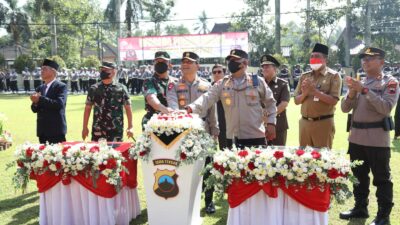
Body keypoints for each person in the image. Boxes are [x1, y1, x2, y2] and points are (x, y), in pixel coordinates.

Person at [340, 47, 399, 225]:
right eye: (363, 59)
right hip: (356, 138)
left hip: (376, 139)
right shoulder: (360, 81)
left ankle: (383, 215)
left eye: (370, 58)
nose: (365, 61)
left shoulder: (390, 82)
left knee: (381, 178)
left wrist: (364, 90)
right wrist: (351, 93)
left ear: (381, 62)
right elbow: (344, 108)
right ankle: (360, 207)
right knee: (358, 176)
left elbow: (386, 108)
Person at [186, 49, 277, 148]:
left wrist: (271, 123)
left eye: (234, 60)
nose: (231, 63)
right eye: (230, 60)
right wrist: (190, 108)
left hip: (255, 137)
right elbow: (207, 98)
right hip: (233, 139)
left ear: (245, 63)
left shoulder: (257, 81)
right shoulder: (222, 84)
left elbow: (270, 103)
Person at [167, 51, 219, 214]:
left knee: (208, 166)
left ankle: (209, 201)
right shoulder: (173, 84)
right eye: (183, 61)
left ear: (197, 65)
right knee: (181, 166)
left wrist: (215, 130)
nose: (185, 64)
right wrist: (181, 118)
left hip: (203, 130)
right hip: (181, 131)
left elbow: (212, 110)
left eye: (189, 61)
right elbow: (172, 104)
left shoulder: (206, 85)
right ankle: (183, 199)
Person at [293, 43, 342, 149]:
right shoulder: (304, 76)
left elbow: (334, 100)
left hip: (323, 123)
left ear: (325, 59)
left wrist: (315, 92)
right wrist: (305, 93)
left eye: (317, 56)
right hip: (304, 123)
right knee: (303, 159)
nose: (313, 59)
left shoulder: (333, 76)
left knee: (322, 160)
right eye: (312, 56)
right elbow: (296, 101)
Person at [82, 61, 133, 142]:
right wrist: (85, 127)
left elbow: (128, 108)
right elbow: (87, 108)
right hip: (98, 128)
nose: (103, 72)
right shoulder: (94, 88)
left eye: (106, 70)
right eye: (102, 70)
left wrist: (130, 127)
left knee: (115, 153)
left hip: (116, 129)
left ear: (114, 71)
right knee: (97, 152)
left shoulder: (121, 88)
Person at [30, 59, 67, 144]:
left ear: (53, 71)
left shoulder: (61, 86)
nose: (41, 71)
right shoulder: (40, 88)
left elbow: (59, 104)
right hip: (42, 130)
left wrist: (40, 99)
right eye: (41, 69)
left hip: (55, 130)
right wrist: (35, 103)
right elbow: (34, 109)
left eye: (44, 69)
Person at [141, 51, 176, 129]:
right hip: (153, 123)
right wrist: (165, 110)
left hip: (175, 123)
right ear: (154, 64)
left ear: (170, 65)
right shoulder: (149, 81)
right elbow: (151, 98)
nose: (160, 63)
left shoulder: (176, 82)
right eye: (157, 61)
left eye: (164, 61)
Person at [260, 54, 290, 146]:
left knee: (278, 154)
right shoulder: (257, 84)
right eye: (263, 66)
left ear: (275, 69)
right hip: (260, 125)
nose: (264, 69)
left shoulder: (283, 84)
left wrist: (269, 116)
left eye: (267, 66)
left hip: (278, 125)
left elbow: (284, 103)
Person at [211, 64, 227, 150]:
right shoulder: (208, 87)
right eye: (214, 72)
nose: (216, 74)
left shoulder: (229, 87)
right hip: (212, 122)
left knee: (225, 148)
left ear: (224, 73)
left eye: (219, 72)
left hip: (225, 122)